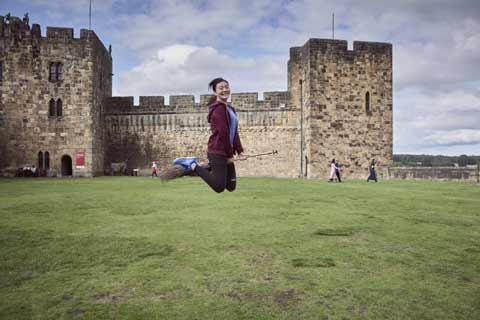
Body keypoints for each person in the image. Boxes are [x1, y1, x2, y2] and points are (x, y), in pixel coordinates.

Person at [174, 77, 245, 193]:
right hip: (217, 151)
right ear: (215, 92)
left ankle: (210, 167)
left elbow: (234, 132)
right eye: (221, 88)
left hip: (226, 151)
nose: (224, 90)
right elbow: (224, 134)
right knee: (219, 187)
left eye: (226, 87)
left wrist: (240, 151)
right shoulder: (218, 110)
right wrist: (229, 154)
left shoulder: (230, 109)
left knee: (231, 186)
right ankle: (193, 165)